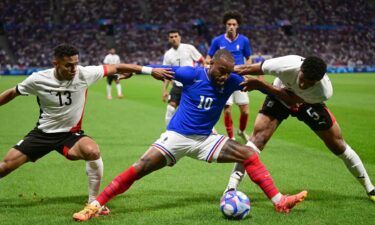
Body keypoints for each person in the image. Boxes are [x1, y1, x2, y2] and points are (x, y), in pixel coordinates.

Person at [72, 49, 307, 222]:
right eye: (221, 71)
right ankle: (94, 205)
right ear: (210, 62)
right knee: (139, 168)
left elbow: (276, 93)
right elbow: (156, 71)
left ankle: (279, 201)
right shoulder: (191, 74)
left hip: (206, 139)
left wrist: (261, 85)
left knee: (248, 154)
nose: (225, 77)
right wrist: (140, 71)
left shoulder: (234, 80)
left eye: (228, 73)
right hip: (177, 137)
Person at [0, 44, 173, 214]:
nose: (74, 68)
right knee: (5, 167)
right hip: (43, 134)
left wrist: (150, 71)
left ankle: (93, 203)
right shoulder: (38, 79)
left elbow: (117, 66)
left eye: (76, 63)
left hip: (70, 135)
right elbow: (12, 92)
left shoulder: (84, 73)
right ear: (56, 63)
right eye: (68, 65)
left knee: (92, 151)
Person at [222, 55, 375, 202]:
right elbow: (247, 68)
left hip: (305, 102)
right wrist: (223, 70)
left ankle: (370, 188)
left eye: (310, 83)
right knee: (257, 140)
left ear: (318, 81)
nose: (303, 85)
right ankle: (230, 189)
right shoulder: (287, 64)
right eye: (302, 79)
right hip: (279, 93)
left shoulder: (323, 91)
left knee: (338, 144)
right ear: (300, 69)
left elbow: (292, 100)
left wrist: (261, 85)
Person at [206, 10, 252, 142]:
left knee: (245, 111)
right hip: (223, 79)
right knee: (227, 109)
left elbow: (248, 57)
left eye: (234, 24)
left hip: (239, 77)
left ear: (238, 25)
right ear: (225, 25)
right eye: (228, 24)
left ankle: (241, 131)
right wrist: (209, 66)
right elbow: (209, 56)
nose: (231, 26)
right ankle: (231, 137)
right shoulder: (217, 40)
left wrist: (247, 72)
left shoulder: (244, 40)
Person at [162, 29, 205, 125]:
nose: (174, 39)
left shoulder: (189, 48)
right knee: (170, 108)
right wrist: (164, 89)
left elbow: (202, 60)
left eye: (176, 36)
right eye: (171, 37)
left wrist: (202, 76)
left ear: (180, 37)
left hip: (191, 85)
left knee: (195, 111)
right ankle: (168, 132)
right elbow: (166, 73)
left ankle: (205, 131)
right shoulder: (168, 55)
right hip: (177, 86)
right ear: (169, 39)